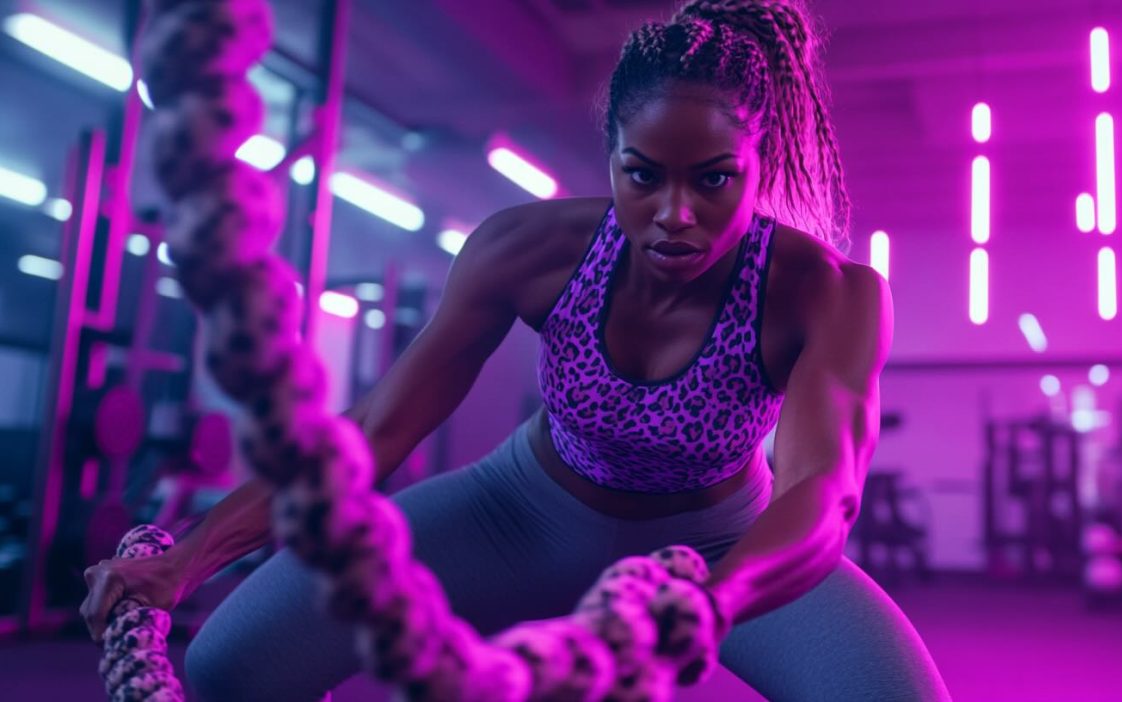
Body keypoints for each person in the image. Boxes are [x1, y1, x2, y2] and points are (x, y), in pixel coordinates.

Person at [81, 1, 949, 699]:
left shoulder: (826, 292)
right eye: (644, 174)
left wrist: (703, 604)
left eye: (714, 178)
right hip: (517, 513)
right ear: (611, 156)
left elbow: (822, 497)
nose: (675, 214)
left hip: (720, 543)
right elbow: (375, 429)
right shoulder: (528, 251)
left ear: (759, 163)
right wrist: (187, 559)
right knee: (232, 666)